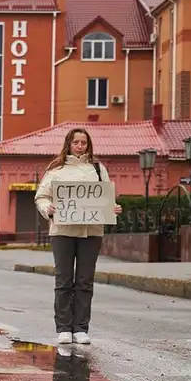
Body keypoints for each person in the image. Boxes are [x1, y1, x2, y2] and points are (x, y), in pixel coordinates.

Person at [34, 128, 121, 345]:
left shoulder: (99, 169)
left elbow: (106, 199)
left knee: (84, 281)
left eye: (84, 142)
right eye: (76, 142)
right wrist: (48, 209)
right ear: (69, 144)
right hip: (63, 232)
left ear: (88, 145)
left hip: (91, 232)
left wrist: (113, 208)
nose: (80, 146)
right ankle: (63, 328)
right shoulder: (56, 169)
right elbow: (41, 197)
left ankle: (81, 328)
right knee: (64, 281)